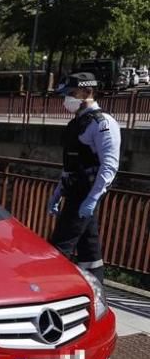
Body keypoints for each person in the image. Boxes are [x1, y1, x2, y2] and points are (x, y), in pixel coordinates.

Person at [47, 72, 121, 283]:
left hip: (86, 192)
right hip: (74, 189)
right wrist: (58, 191)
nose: (66, 99)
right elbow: (70, 164)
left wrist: (93, 198)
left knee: (61, 244)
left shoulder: (103, 123)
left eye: (71, 93)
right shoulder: (76, 123)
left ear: (88, 92)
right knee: (89, 247)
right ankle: (95, 285)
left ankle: (50, 288)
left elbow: (109, 166)